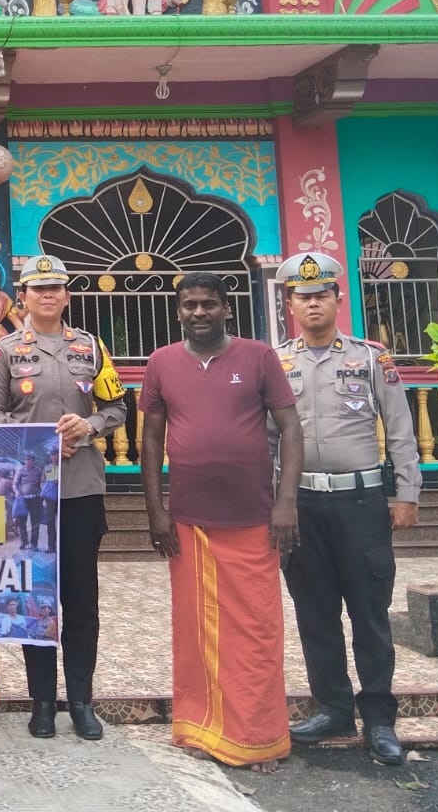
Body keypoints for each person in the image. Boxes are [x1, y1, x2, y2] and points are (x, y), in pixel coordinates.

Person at [138, 273, 304, 772]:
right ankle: (199, 726)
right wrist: (156, 511)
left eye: (208, 304)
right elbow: (149, 440)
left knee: (255, 633)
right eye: (189, 305)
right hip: (189, 522)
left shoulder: (257, 356)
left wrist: (285, 503)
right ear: (178, 312)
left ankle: (256, 738)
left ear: (226, 309)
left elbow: (291, 429)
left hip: (253, 518)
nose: (199, 312)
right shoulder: (162, 362)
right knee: (196, 632)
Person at [273, 253, 421, 767]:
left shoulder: (370, 358)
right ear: (289, 304)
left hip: (361, 502)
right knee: (315, 612)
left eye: (321, 295)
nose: (312, 303)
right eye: (302, 296)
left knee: (368, 612)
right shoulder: (278, 361)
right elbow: (265, 438)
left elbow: (400, 429)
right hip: (301, 505)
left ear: (337, 299)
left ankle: (379, 717)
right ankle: (333, 707)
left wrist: (407, 493)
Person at [0, 254, 127, 741]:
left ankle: (81, 701)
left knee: (82, 602)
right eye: (37, 288)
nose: (47, 295)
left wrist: (91, 425)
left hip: (82, 489)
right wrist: (40, 439)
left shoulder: (91, 347)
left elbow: (117, 406)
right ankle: (42, 701)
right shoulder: (4, 352)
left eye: (55, 288)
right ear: (22, 296)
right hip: (29, 494)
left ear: (66, 295)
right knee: (34, 598)